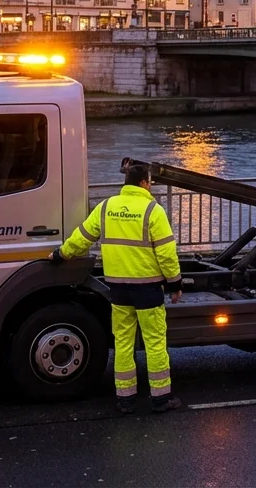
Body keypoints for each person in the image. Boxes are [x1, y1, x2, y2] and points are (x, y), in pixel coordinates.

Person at [52, 161, 183, 414]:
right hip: (147, 289)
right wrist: (175, 283)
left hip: (117, 290)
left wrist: (60, 254)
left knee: (123, 343)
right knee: (154, 343)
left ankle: (125, 399)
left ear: (126, 182)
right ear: (145, 182)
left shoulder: (106, 207)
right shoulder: (152, 211)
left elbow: (82, 238)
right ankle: (161, 398)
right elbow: (167, 254)